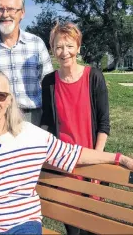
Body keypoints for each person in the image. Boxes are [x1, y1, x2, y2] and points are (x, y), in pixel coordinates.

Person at [0, 69, 133, 235]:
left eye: (0, 96)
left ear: (9, 101)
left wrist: (120, 158)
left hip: (23, 224)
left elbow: (74, 154)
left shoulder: (30, 135)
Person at [40, 22, 110, 235]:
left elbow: (104, 123)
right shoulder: (49, 82)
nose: (64, 52)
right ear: (53, 50)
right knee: (72, 228)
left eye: (70, 46)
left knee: (93, 227)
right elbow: (48, 124)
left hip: (91, 161)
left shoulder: (94, 77)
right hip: (64, 164)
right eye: (58, 47)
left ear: (78, 47)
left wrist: (97, 161)